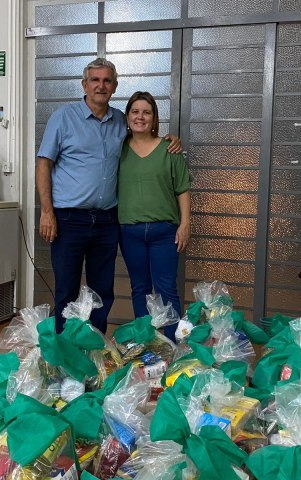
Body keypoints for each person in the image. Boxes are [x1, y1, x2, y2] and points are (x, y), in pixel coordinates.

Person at [36, 58, 181, 334]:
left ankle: (97, 346)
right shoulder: (63, 118)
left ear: (114, 86)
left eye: (106, 81)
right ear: (84, 84)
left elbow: (143, 140)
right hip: (68, 219)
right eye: (95, 80)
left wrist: (170, 139)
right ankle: (66, 353)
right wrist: (46, 211)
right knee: (66, 288)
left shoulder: (119, 121)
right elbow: (44, 163)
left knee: (103, 290)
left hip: (106, 221)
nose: (100, 86)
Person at [118, 92, 191, 340]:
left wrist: (185, 224)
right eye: (135, 111)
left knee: (167, 290)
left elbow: (182, 189)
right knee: (139, 289)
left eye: (146, 112)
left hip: (165, 232)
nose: (140, 117)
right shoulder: (118, 149)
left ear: (154, 117)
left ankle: (173, 345)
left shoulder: (170, 149)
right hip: (130, 233)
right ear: (127, 116)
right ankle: (145, 344)